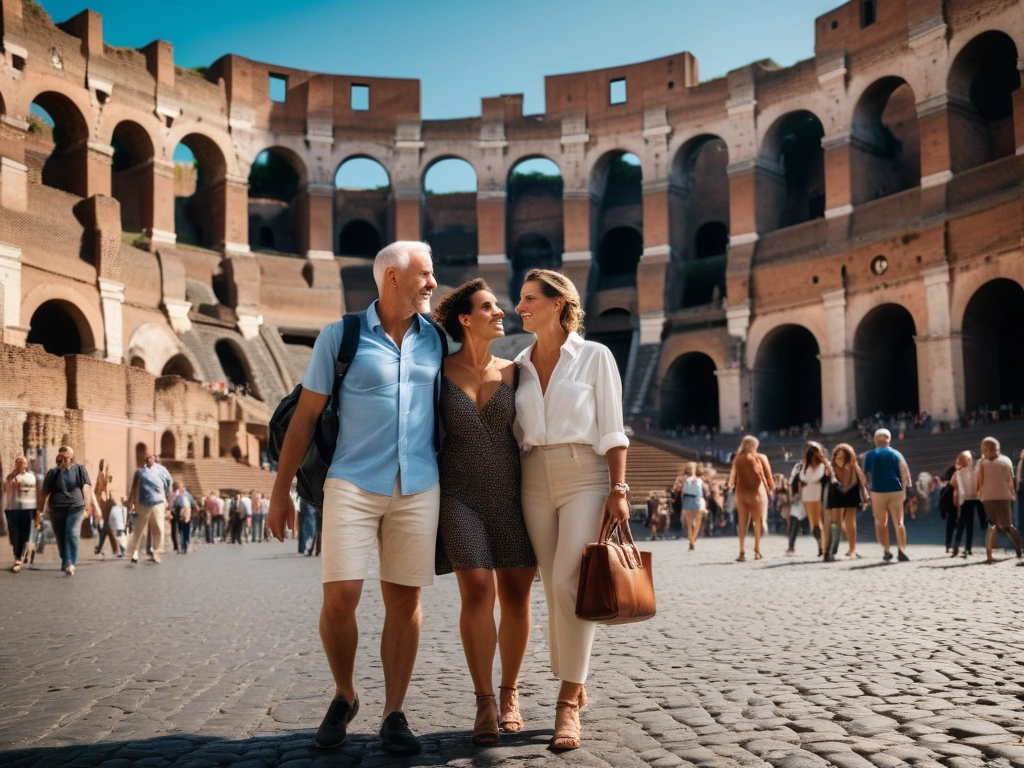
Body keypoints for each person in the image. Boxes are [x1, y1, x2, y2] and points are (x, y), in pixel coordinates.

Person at [267, 241, 443, 755]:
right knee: (340, 598)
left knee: (404, 599)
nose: (433, 283)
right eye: (425, 275)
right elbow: (303, 418)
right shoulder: (339, 336)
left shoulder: (436, 339)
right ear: (392, 277)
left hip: (418, 485)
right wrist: (280, 493)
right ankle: (345, 692)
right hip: (350, 481)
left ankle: (394, 711)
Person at [513, 268, 630, 750]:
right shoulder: (516, 363)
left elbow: (613, 427)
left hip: (583, 474)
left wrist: (618, 488)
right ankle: (577, 682)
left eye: (528, 298)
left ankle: (566, 702)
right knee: (551, 586)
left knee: (569, 581)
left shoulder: (596, 356)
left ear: (558, 303)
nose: (519, 307)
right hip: (532, 477)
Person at [432, 279, 537, 745]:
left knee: (516, 597)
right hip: (458, 495)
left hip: (514, 496)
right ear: (465, 318)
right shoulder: (435, 371)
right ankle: (484, 701)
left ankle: (510, 692)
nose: (500, 312)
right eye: (489, 306)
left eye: (498, 306)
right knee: (476, 590)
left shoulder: (517, 372)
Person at [41, 446, 93, 576]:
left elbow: (86, 488)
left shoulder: (79, 470)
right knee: (61, 537)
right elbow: (44, 493)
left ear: (72, 458)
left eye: (66, 457)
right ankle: (66, 560)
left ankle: (70, 562)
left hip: (76, 507)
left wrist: (88, 506)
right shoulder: (53, 473)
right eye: (61, 457)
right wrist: (39, 511)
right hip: (57, 509)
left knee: (72, 533)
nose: (63, 459)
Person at [862, 429, 911, 562]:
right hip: (895, 490)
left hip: (878, 492)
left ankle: (886, 550)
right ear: (888, 439)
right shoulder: (896, 454)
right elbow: (904, 474)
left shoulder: (870, 455)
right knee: (899, 522)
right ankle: (901, 550)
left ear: (875, 440)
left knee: (880, 523)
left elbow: (865, 474)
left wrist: (867, 488)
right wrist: (905, 490)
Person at [976, 436, 1024, 564]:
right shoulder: (1006, 460)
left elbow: (979, 481)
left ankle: (989, 555)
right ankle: (1020, 548)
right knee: (1008, 525)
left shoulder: (981, 463)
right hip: (1004, 496)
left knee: (992, 525)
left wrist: (979, 495)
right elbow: (1010, 480)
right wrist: (1012, 494)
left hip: (988, 497)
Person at [727, 436, 774, 562]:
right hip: (757, 493)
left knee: (742, 522)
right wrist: (771, 490)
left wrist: (730, 487)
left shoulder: (737, 458)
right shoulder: (761, 457)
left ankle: (742, 551)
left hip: (741, 493)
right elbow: (769, 476)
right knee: (757, 521)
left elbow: (732, 478)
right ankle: (757, 550)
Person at [125, 454, 172, 565]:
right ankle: (134, 551)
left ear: (155, 458)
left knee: (159, 529)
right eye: (147, 457)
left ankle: (156, 551)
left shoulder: (162, 470)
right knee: (139, 530)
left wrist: (166, 498)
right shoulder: (140, 472)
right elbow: (134, 487)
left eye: (151, 457)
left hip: (158, 503)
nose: (149, 459)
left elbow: (168, 484)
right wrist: (131, 502)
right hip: (143, 503)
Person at [825, 444, 868, 561]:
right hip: (837, 493)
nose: (839, 457)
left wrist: (855, 465)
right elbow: (828, 477)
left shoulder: (853, 466)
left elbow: (863, 480)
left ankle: (852, 548)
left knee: (850, 522)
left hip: (851, 492)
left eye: (842, 456)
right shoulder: (830, 466)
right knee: (836, 522)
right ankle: (833, 548)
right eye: (837, 455)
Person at [4, 456, 38, 572]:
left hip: (27, 509)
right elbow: (5, 490)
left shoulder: (31, 477)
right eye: (18, 463)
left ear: (26, 465)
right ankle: (17, 558)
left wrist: (37, 511)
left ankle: (22, 554)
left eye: (22, 463)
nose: (19, 465)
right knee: (14, 535)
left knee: (24, 534)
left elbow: (35, 493)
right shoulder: (11, 477)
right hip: (13, 509)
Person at [798, 442, 829, 558]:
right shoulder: (804, 466)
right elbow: (803, 477)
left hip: (819, 495)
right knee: (813, 523)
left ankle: (826, 546)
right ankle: (820, 545)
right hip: (808, 496)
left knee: (822, 522)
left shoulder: (823, 466)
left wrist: (808, 481)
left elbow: (816, 477)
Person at [950, 451, 981, 558]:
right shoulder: (974, 471)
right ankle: (968, 548)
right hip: (973, 498)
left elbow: (955, 484)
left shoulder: (959, 472)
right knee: (970, 524)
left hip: (964, 500)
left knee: (961, 524)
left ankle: (957, 545)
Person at [91, 459, 118, 558]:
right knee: (104, 528)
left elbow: (107, 488)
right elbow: (97, 490)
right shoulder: (101, 475)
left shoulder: (107, 476)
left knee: (106, 527)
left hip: (107, 503)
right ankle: (102, 548)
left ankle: (114, 548)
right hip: (102, 503)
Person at [680, 462, 707, 551]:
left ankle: (693, 539)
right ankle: (691, 540)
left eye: (692, 468)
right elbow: (682, 491)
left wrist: (705, 504)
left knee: (697, 522)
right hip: (688, 499)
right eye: (689, 468)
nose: (690, 470)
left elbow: (705, 492)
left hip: (698, 499)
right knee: (689, 522)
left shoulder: (700, 479)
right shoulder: (685, 479)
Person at [172, 484, 196, 554]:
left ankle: (183, 544)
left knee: (181, 529)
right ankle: (186, 542)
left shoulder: (178, 495)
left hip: (181, 512)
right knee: (185, 529)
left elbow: (175, 504)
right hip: (186, 512)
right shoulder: (187, 495)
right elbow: (193, 502)